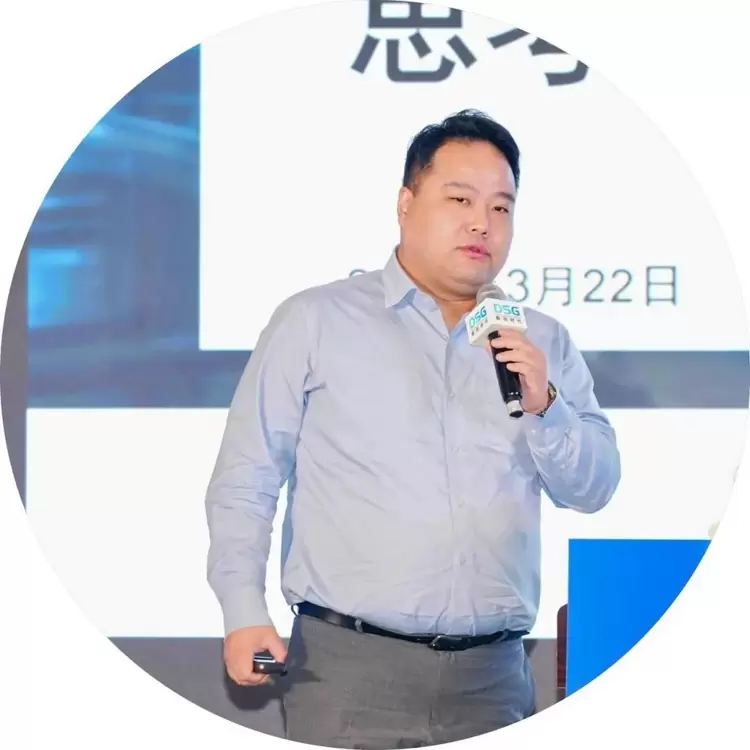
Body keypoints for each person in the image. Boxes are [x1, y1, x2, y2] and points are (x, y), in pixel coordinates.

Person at [205, 109, 621, 748]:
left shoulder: (540, 341)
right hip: (348, 674)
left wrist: (546, 406)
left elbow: (592, 489)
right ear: (406, 203)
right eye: (461, 199)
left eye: (502, 207)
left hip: (494, 681)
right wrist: (242, 610)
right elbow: (247, 478)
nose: (483, 223)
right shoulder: (316, 321)